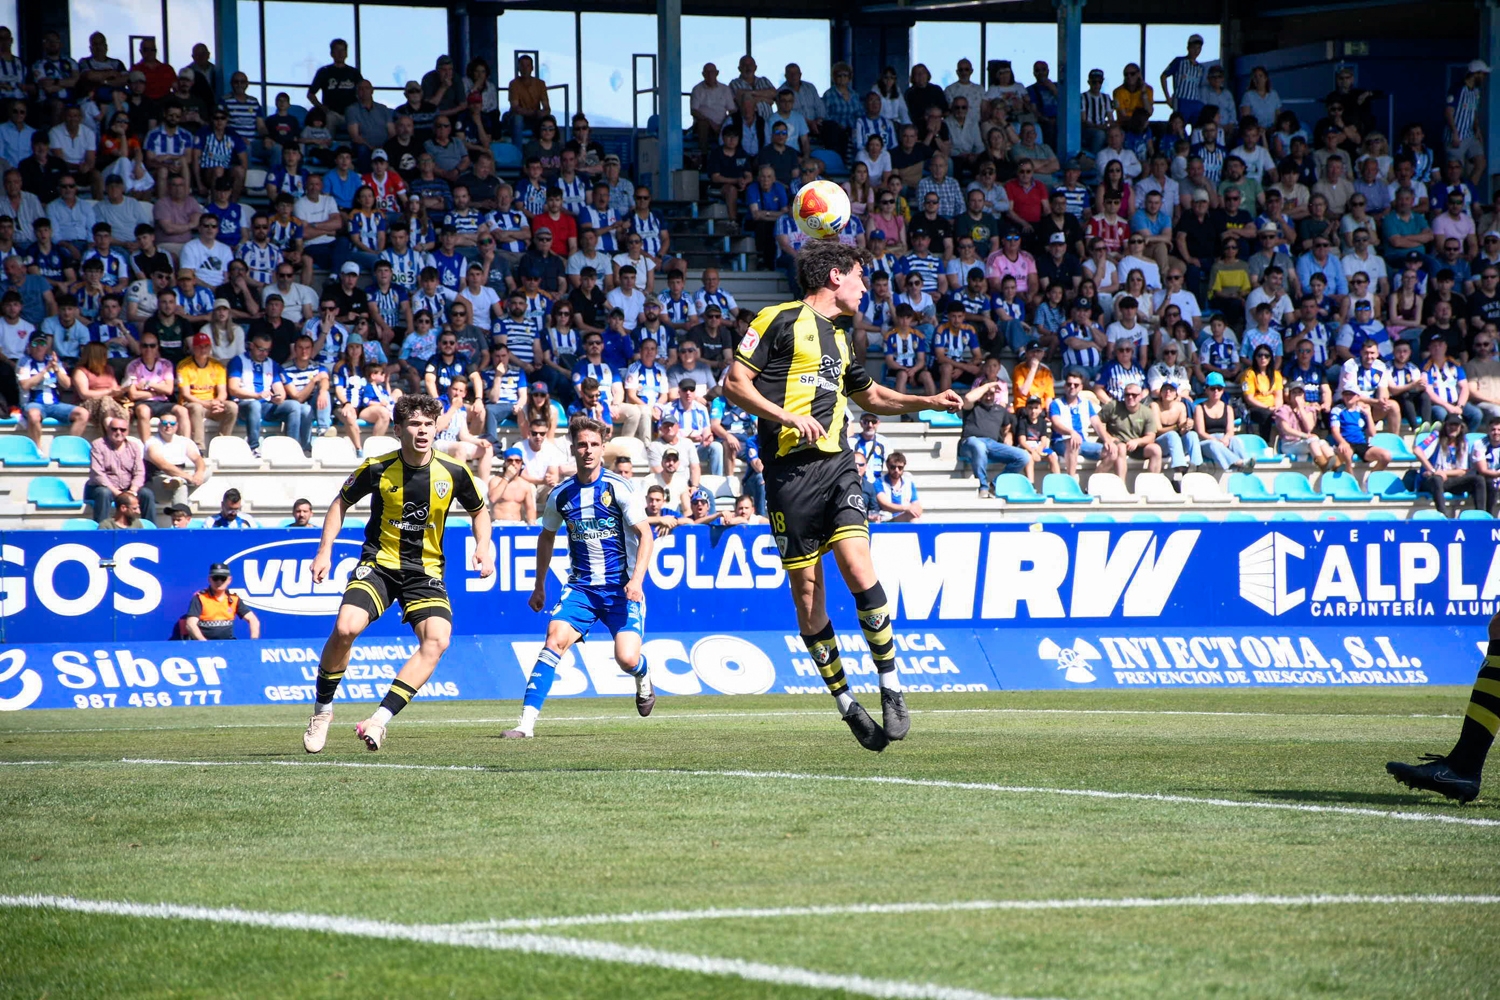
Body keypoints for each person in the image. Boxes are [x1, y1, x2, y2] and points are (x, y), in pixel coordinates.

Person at [722, 240, 961, 751]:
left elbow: (870, 396)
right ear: (834, 276)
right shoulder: (777, 319)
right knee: (808, 594)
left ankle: (891, 686)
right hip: (787, 477)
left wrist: (927, 400)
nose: (865, 288)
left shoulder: (842, 338)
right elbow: (734, 384)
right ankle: (845, 702)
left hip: (836, 466)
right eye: (858, 278)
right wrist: (787, 416)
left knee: (857, 566)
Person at [302, 394, 491, 753]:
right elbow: (341, 501)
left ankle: (379, 720)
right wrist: (324, 550)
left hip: (425, 571)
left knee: (437, 640)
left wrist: (483, 545)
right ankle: (323, 710)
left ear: (438, 428)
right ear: (400, 429)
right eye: (415, 424)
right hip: (379, 565)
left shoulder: (453, 472)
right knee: (346, 628)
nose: (423, 431)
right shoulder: (377, 468)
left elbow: (480, 510)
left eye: (429, 425)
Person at [500, 417, 655, 739]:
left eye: (594, 445)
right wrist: (539, 584)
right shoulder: (561, 495)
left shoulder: (618, 487)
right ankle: (525, 724)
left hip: (620, 591)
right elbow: (546, 537)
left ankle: (643, 675)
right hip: (581, 589)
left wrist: (637, 580)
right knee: (553, 640)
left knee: (627, 658)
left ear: (602, 448)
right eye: (582, 444)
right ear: (573, 448)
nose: (588, 450)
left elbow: (646, 535)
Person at [961, 377, 1029, 498]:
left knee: (1023, 456)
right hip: (970, 443)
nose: (988, 397)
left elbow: (1007, 426)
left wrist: (1009, 435)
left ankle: (994, 485)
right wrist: (988, 385)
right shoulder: (972, 406)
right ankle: (983, 486)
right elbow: (967, 398)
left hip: (992, 445)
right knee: (979, 446)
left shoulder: (1000, 410)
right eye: (985, 393)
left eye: (991, 393)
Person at [86, 414, 156, 523]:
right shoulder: (98, 445)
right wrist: (117, 493)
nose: (118, 432)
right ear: (108, 429)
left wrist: (133, 490)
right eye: (114, 429)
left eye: (123, 430)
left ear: (127, 431)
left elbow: (139, 472)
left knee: (147, 494)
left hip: (128, 488)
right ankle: (102, 529)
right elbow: (98, 473)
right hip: (104, 487)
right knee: (104, 493)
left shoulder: (134, 447)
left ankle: (150, 529)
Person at [183, 562, 261, 639]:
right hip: (204, 647)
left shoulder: (234, 599)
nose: (219, 582)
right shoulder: (200, 598)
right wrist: (204, 643)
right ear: (209, 579)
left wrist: (253, 641)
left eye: (223, 578)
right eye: (215, 578)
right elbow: (190, 624)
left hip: (228, 646)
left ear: (229, 580)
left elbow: (253, 620)